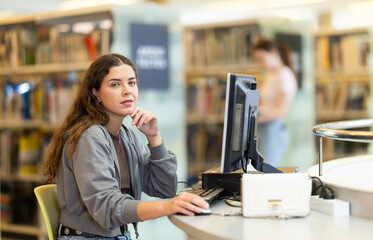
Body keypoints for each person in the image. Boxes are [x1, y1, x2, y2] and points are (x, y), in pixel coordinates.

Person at [43, 53, 208, 240]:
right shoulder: (89, 137)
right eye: (115, 84)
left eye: (132, 82)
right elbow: (106, 207)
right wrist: (168, 207)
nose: (127, 91)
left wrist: (154, 137)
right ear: (95, 92)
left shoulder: (125, 135)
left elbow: (164, 187)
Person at [252, 39, 298, 167]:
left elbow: (281, 110)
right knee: (262, 167)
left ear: (273, 53)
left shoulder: (285, 75)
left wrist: (256, 119)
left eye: (261, 58)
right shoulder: (271, 75)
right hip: (265, 128)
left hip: (273, 129)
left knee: (268, 169)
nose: (259, 63)